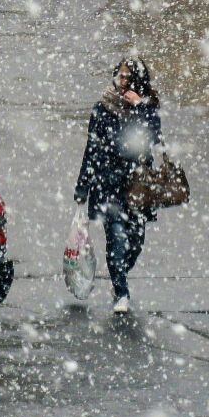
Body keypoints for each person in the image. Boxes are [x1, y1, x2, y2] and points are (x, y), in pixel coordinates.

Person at [74, 57, 162, 314]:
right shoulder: (102, 108)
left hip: (137, 185)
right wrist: (83, 186)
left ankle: (120, 274)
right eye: (120, 76)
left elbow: (154, 137)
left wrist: (140, 107)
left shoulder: (146, 108)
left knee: (136, 240)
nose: (123, 81)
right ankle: (121, 290)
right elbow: (91, 148)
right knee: (116, 239)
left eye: (128, 77)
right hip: (106, 182)